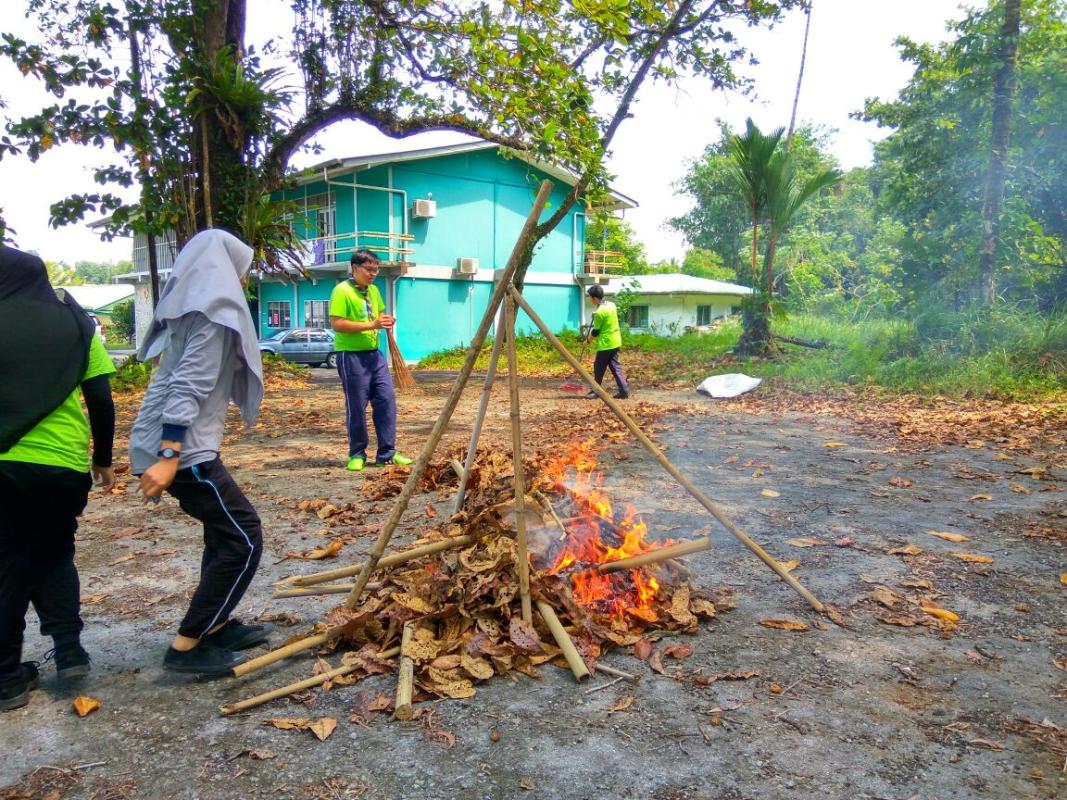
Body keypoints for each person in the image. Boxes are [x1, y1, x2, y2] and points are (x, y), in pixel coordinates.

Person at [129, 229, 272, 676]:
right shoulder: (214, 314)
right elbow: (187, 387)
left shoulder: (190, 307)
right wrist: (169, 455)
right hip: (181, 448)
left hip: (173, 442)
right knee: (244, 538)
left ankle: (216, 624)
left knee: (222, 531)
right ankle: (186, 647)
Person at [0, 245, 116, 711]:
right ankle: (69, 651)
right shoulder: (76, 323)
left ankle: (7, 676)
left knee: (7, 562)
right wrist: (103, 460)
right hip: (63, 465)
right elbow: (101, 398)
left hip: (5, 463)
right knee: (54, 551)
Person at [330, 249, 412, 471]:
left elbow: (379, 316)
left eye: (376, 270)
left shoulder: (374, 291)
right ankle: (357, 453)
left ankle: (387, 453)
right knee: (357, 405)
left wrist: (386, 320)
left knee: (386, 400)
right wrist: (372, 325)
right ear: (355, 268)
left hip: (375, 355)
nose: (373, 274)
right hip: (351, 355)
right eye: (368, 269)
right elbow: (337, 324)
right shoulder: (342, 291)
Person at [584, 284, 630, 399]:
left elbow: (596, 332)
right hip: (615, 341)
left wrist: (587, 341)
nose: (590, 299)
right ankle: (624, 391)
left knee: (598, 367)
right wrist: (597, 313)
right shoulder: (611, 305)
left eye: (590, 297)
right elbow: (606, 315)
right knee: (615, 367)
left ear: (595, 298)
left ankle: (596, 391)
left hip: (606, 344)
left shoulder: (600, 313)